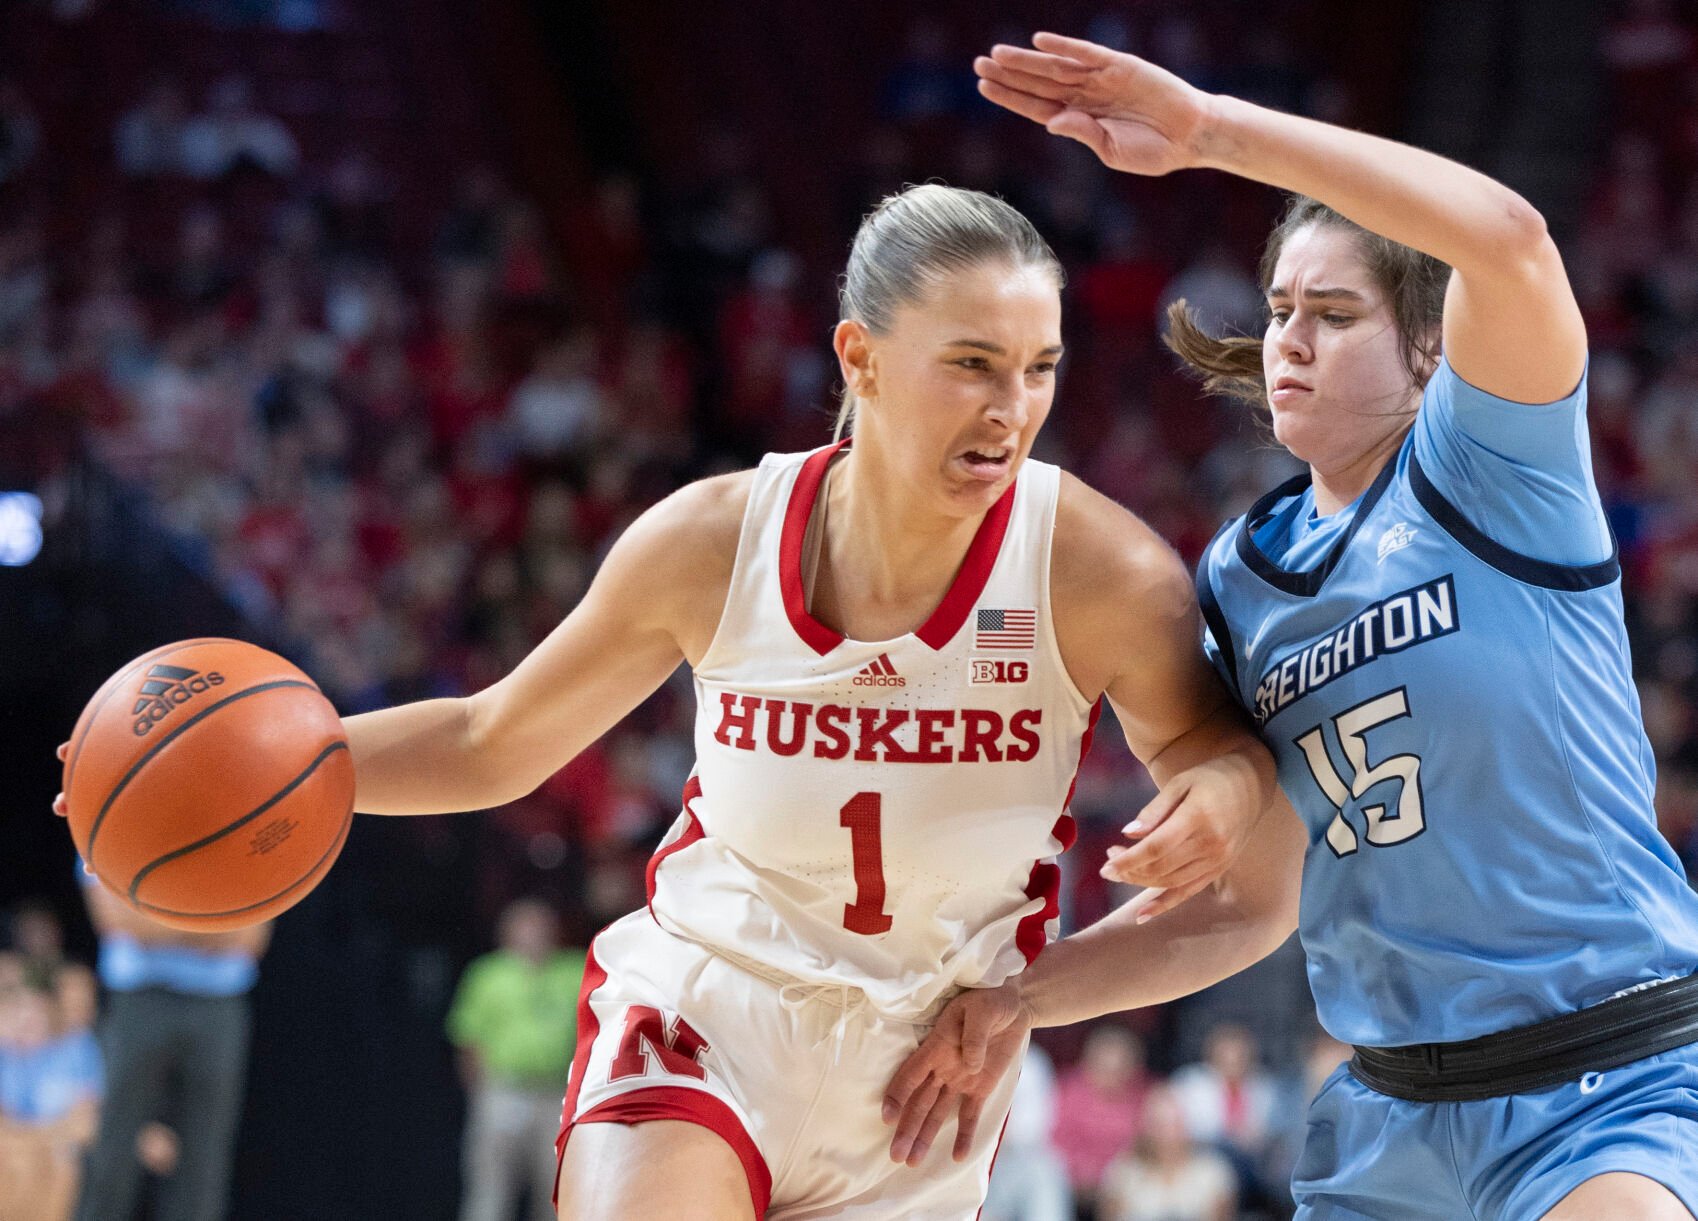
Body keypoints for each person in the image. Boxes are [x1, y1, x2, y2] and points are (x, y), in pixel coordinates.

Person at [308, 182, 1287, 1219]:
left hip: (925, 1074)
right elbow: (486, 739)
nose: (1012, 409)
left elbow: (1254, 893)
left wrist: (1225, 788)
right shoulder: (711, 540)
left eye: (1038, 368)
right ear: (858, 357)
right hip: (711, 1009)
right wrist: (291, 770)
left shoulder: (1102, 574)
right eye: (971, 364)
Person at [883, 31, 1698, 1221]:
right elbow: (1248, 907)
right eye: (1277, 310)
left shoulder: (1492, 468)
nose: (1291, 340)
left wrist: (1212, 131)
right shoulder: (1233, 582)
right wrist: (1025, 996)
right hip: (1391, 1118)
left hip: (1605, 1080)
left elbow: (1510, 239)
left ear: (1429, 352)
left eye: (1333, 311)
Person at [70, 863, 270, 1221]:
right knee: (114, 1141)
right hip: (138, 1000)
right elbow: (118, 922)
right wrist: (209, 924)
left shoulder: (244, 819)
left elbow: (249, 937)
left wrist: (159, 924)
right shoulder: (106, 813)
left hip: (218, 1004)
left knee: (205, 1152)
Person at [446, 898, 586, 1221]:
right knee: (490, 1190)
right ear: (506, 932)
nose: (534, 933)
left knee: (557, 1191)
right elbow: (467, 1038)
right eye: (525, 926)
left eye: (540, 925)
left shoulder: (574, 969)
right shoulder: (487, 973)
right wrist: (483, 1095)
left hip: (557, 1096)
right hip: (503, 1090)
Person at [1096, 1084, 1235, 1221]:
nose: (1169, 1135)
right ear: (1147, 1128)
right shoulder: (1123, 1173)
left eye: (1175, 1124)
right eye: (1161, 1125)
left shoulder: (1213, 1171)